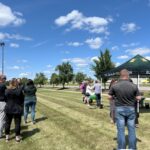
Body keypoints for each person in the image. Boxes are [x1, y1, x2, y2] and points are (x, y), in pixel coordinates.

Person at [108, 69, 141, 150]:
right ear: (127, 75)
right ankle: (132, 148)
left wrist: (115, 97)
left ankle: (121, 148)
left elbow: (109, 97)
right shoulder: (134, 86)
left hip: (119, 109)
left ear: (120, 75)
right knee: (132, 129)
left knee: (120, 130)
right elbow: (138, 98)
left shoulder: (114, 85)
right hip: (131, 109)